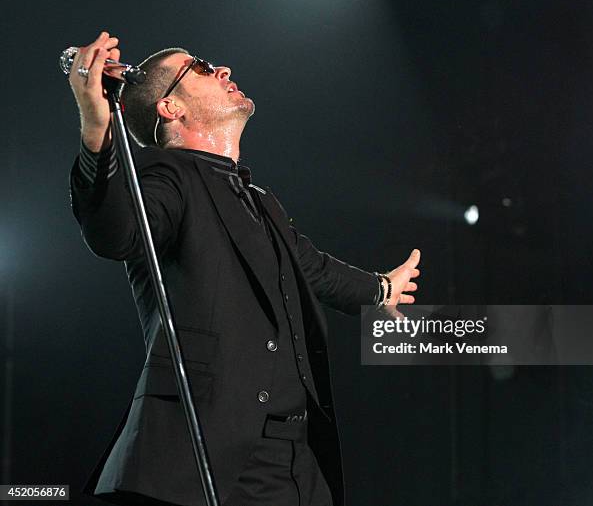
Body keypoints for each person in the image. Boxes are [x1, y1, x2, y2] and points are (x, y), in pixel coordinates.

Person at [67, 31, 421, 506]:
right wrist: (96, 131)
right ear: (172, 109)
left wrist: (380, 290)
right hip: (209, 454)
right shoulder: (166, 175)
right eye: (200, 67)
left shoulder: (258, 200)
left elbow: (311, 267)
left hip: (294, 458)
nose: (223, 70)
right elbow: (117, 233)